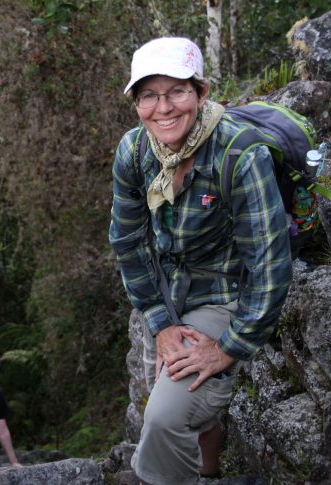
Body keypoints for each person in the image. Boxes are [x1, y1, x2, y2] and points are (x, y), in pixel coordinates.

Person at [109, 37, 292, 484]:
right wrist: (161, 321)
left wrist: (226, 348)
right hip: (168, 293)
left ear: (201, 93)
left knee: (163, 420)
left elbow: (270, 268)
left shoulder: (239, 154)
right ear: (135, 103)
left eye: (177, 91)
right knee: (176, 402)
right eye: (149, 95)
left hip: (224, 295)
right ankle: (208, 473)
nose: (163, 107)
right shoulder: (135, 152)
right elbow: (128, 242)